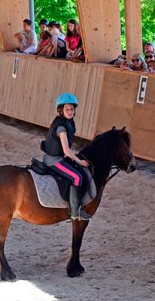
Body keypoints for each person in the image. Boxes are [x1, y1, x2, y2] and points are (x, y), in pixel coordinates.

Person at [41, 93, 92, 221]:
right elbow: (67, 151)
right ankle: (75, 212)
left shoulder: (68, 123)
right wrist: (80, 161)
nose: (70, 111)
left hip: (59, 157)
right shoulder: (61, 127)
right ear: (61, 110)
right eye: (67, 109)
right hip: (53, 161)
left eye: (72, 109)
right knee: (77, 177)